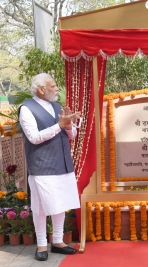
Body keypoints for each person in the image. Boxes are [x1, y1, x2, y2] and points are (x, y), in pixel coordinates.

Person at [19, 73, 81, 261]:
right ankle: (41, 244)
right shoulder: (27, 109)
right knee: (41, 207)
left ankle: (58, 241)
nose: (57, 89)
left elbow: (71, 135)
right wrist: (58, 125)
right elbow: (34, 137)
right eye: (53, 86)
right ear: (41, 89)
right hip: (42, 166)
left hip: (62, 163)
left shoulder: (56, 106)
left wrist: (69, 125)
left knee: (60, 203)